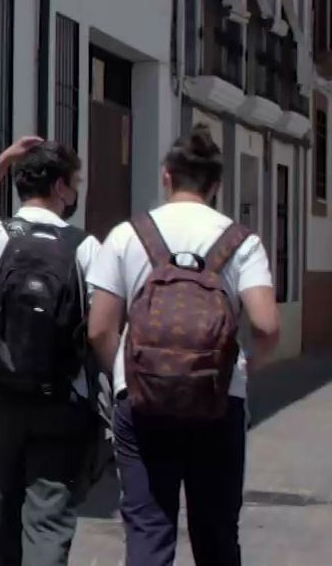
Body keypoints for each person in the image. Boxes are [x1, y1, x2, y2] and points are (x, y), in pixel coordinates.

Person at [86, 128, 280, 566]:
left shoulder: (126, 235)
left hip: (140, 402)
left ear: (166, 177)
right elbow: (267, 325)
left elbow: (99, 329)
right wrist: (245, 368)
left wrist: (125, 374)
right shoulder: (242, 242)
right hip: (217, 400)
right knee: (216, 533)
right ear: (216, 186)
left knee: (149, 530)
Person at [0, 137, 100, 566]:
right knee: (49, 519)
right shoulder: (84, 246)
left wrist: (3, 160)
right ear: (59, 188)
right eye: (73, 185)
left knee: (8, 511)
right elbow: (99, 326)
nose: (74, 194)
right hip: (61, 402)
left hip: (2, 400)